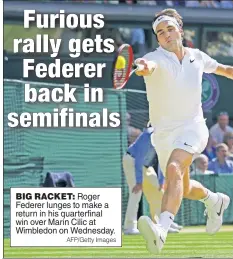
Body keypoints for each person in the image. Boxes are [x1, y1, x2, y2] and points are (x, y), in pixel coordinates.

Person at [134, 8, 232, 254]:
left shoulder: (197, 57)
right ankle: (214, 200)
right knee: (182, 187)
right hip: (164, 135)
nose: (166, 34)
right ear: (157, 39)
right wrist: (142, 66)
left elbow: (224, 69)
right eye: (160, 32)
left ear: (180, 29)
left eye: (169, 28)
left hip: (193, 127)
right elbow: (148, 66)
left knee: (174, 169)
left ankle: (161, 231)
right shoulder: (154, 58)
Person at [123, 124, 182, 235]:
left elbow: (161, 159)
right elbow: (139, 159)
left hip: (145, 165)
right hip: (132, 161)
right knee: (136, 193)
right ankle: (129, 227)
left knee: (158, 191)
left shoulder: (164, 137)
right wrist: (139, 181)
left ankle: (162, 224)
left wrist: (161, 180)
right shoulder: (148, 135)